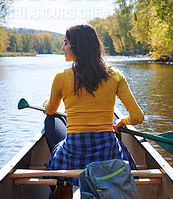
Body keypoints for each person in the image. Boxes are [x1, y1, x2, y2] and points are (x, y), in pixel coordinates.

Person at [44, 24, 144, 199]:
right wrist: (122, 122)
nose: (63, 48)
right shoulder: (116, 76)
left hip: (73, 155)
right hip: (108, 154)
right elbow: (137, 117)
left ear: (77, 47)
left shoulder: (60, 77)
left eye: (66, 43)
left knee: (50, 119)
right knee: (114, 125)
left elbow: (51, 109)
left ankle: (63, 187)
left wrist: (46, 104)